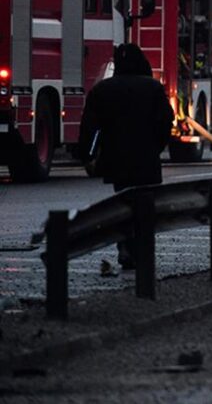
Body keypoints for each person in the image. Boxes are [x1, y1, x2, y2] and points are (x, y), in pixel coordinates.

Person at [79, 43, 174, 269]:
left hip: (116, 160)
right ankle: (141, 252)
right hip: (147, 162)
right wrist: (155, 148)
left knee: (123, 206)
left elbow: (90, 128)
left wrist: (89, 156)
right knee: (145, 210)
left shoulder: (102, 90)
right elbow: (165, 123)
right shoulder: (153, 89)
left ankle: (124, 246)